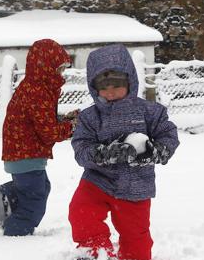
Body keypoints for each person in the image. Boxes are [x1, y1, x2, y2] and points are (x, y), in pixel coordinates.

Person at [68, 44, 180, 260]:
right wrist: (103, 153)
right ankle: (95, 252)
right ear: (94, 87)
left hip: (135, 185)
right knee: (81, 212)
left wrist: (155, 151)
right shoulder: (90, 117)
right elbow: (80, 147)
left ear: (130, 82)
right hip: (97, 180)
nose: (110, 92)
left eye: (116, 85)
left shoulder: (149, 111)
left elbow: (168, 134)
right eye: (103, 87)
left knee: (135, 235)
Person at [0, 39, 79, 236]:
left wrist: (64, 120)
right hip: (26, 154)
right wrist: (72, 128)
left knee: (40, 187)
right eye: (58, 70)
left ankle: (2, 196)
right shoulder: (38, 92)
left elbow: (41, 120)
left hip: (21, 152)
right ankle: (17, 233)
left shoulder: (34, 87)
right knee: (34, 200)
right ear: (46, 69)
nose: (61, 75)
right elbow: (49, 132)